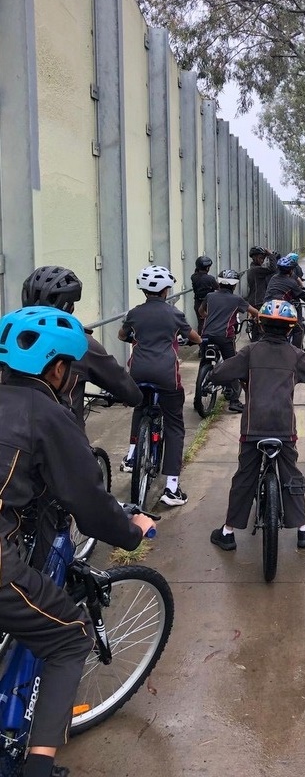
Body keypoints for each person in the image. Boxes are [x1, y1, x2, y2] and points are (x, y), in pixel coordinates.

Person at [0, 306, 154, 777]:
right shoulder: (47, 414)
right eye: (73, 370)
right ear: (59, 368)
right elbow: (88, 502)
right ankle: (38, 768)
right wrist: (132, 531)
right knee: (70, 637)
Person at [208, 299, 305, 551]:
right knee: (290, 472)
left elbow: (219, 373)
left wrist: (225, 374)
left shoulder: (249, 352)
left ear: (260, 325)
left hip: (253, 428)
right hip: (284, 429)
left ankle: (228, 532)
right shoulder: (295, 355)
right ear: (291, 329)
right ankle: (303, 530)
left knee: (245, 476)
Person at [118, 265, 202, 505]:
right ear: (166, 290)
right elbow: (192, 336)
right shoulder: (173, 314)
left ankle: (132, 456)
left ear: (143, 290)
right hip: (165, 374)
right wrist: (197, 340)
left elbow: (122, 335)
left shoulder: (134, 313)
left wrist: (136, 338)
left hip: (138, 371)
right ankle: (172, 488)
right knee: (174, 425)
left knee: (139, 407)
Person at [21, 265, 142, 429]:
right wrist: (133, 396)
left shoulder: (7, 338)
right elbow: (121, 382)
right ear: (70, 307)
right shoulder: (81, 344)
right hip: (63, 439)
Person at [197, 269, 259, 412]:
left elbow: (201, 312)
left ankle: (197, 398)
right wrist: (258, 320)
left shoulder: (210, 296)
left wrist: (210, 316)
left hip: (206, 335)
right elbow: (254, 312)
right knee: (233, 365)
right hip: (224, 337)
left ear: (219, 283)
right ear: (234, 285)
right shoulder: (237, 300)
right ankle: (234, 401)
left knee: (204, 363)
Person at [263, 255, 305, 348]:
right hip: (279, 310)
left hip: (267, 309)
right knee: (298, 329)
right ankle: (295, 354)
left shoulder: (273, 278)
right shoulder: (291, 282)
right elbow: (302, 295)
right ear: (291, 270)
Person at [244, 246, 277, 341]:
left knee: (257, 328)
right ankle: (258, 348)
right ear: (253, 257)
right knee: (260, 328)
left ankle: (256, 346)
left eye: (263, 258)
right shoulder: (256, 270)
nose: (262, 260)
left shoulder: (254, 269)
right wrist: (270, 255)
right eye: (260, 257)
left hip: (256, 300)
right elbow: (272, 269)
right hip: (258, 302)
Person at [191, 255, 218, 337]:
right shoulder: (210, 279)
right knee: (211, 322)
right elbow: (218, 288)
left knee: (201, 323)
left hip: (198, 303)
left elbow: (196, 274)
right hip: (208, 304)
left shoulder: (193, 277)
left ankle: (201, 342)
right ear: (207, 268)